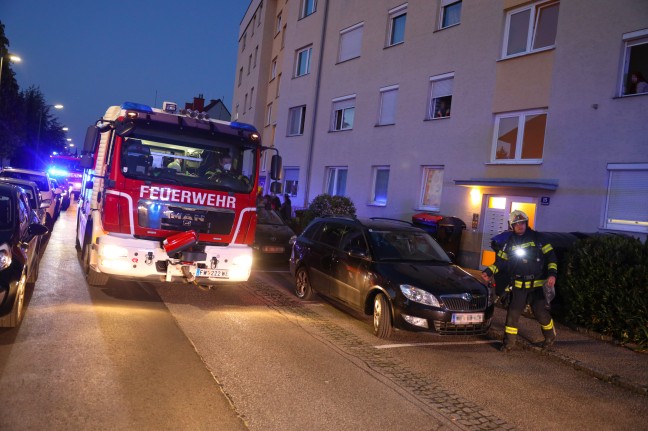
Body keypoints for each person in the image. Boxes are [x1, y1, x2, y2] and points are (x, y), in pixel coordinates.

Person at [481, 210, 558, 352]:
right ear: (512, 226)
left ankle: (549, 336)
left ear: (526, 223)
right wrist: (489, 271)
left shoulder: (538, 238)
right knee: (513, 313)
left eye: (522, 223)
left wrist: (552, 274)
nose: (520, 226)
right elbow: (501, 262)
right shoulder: (508, 243)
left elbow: (551, 258)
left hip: (537, 285)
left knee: (540, 313)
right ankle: (509, 343)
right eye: (517, 224)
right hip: (519, 285)